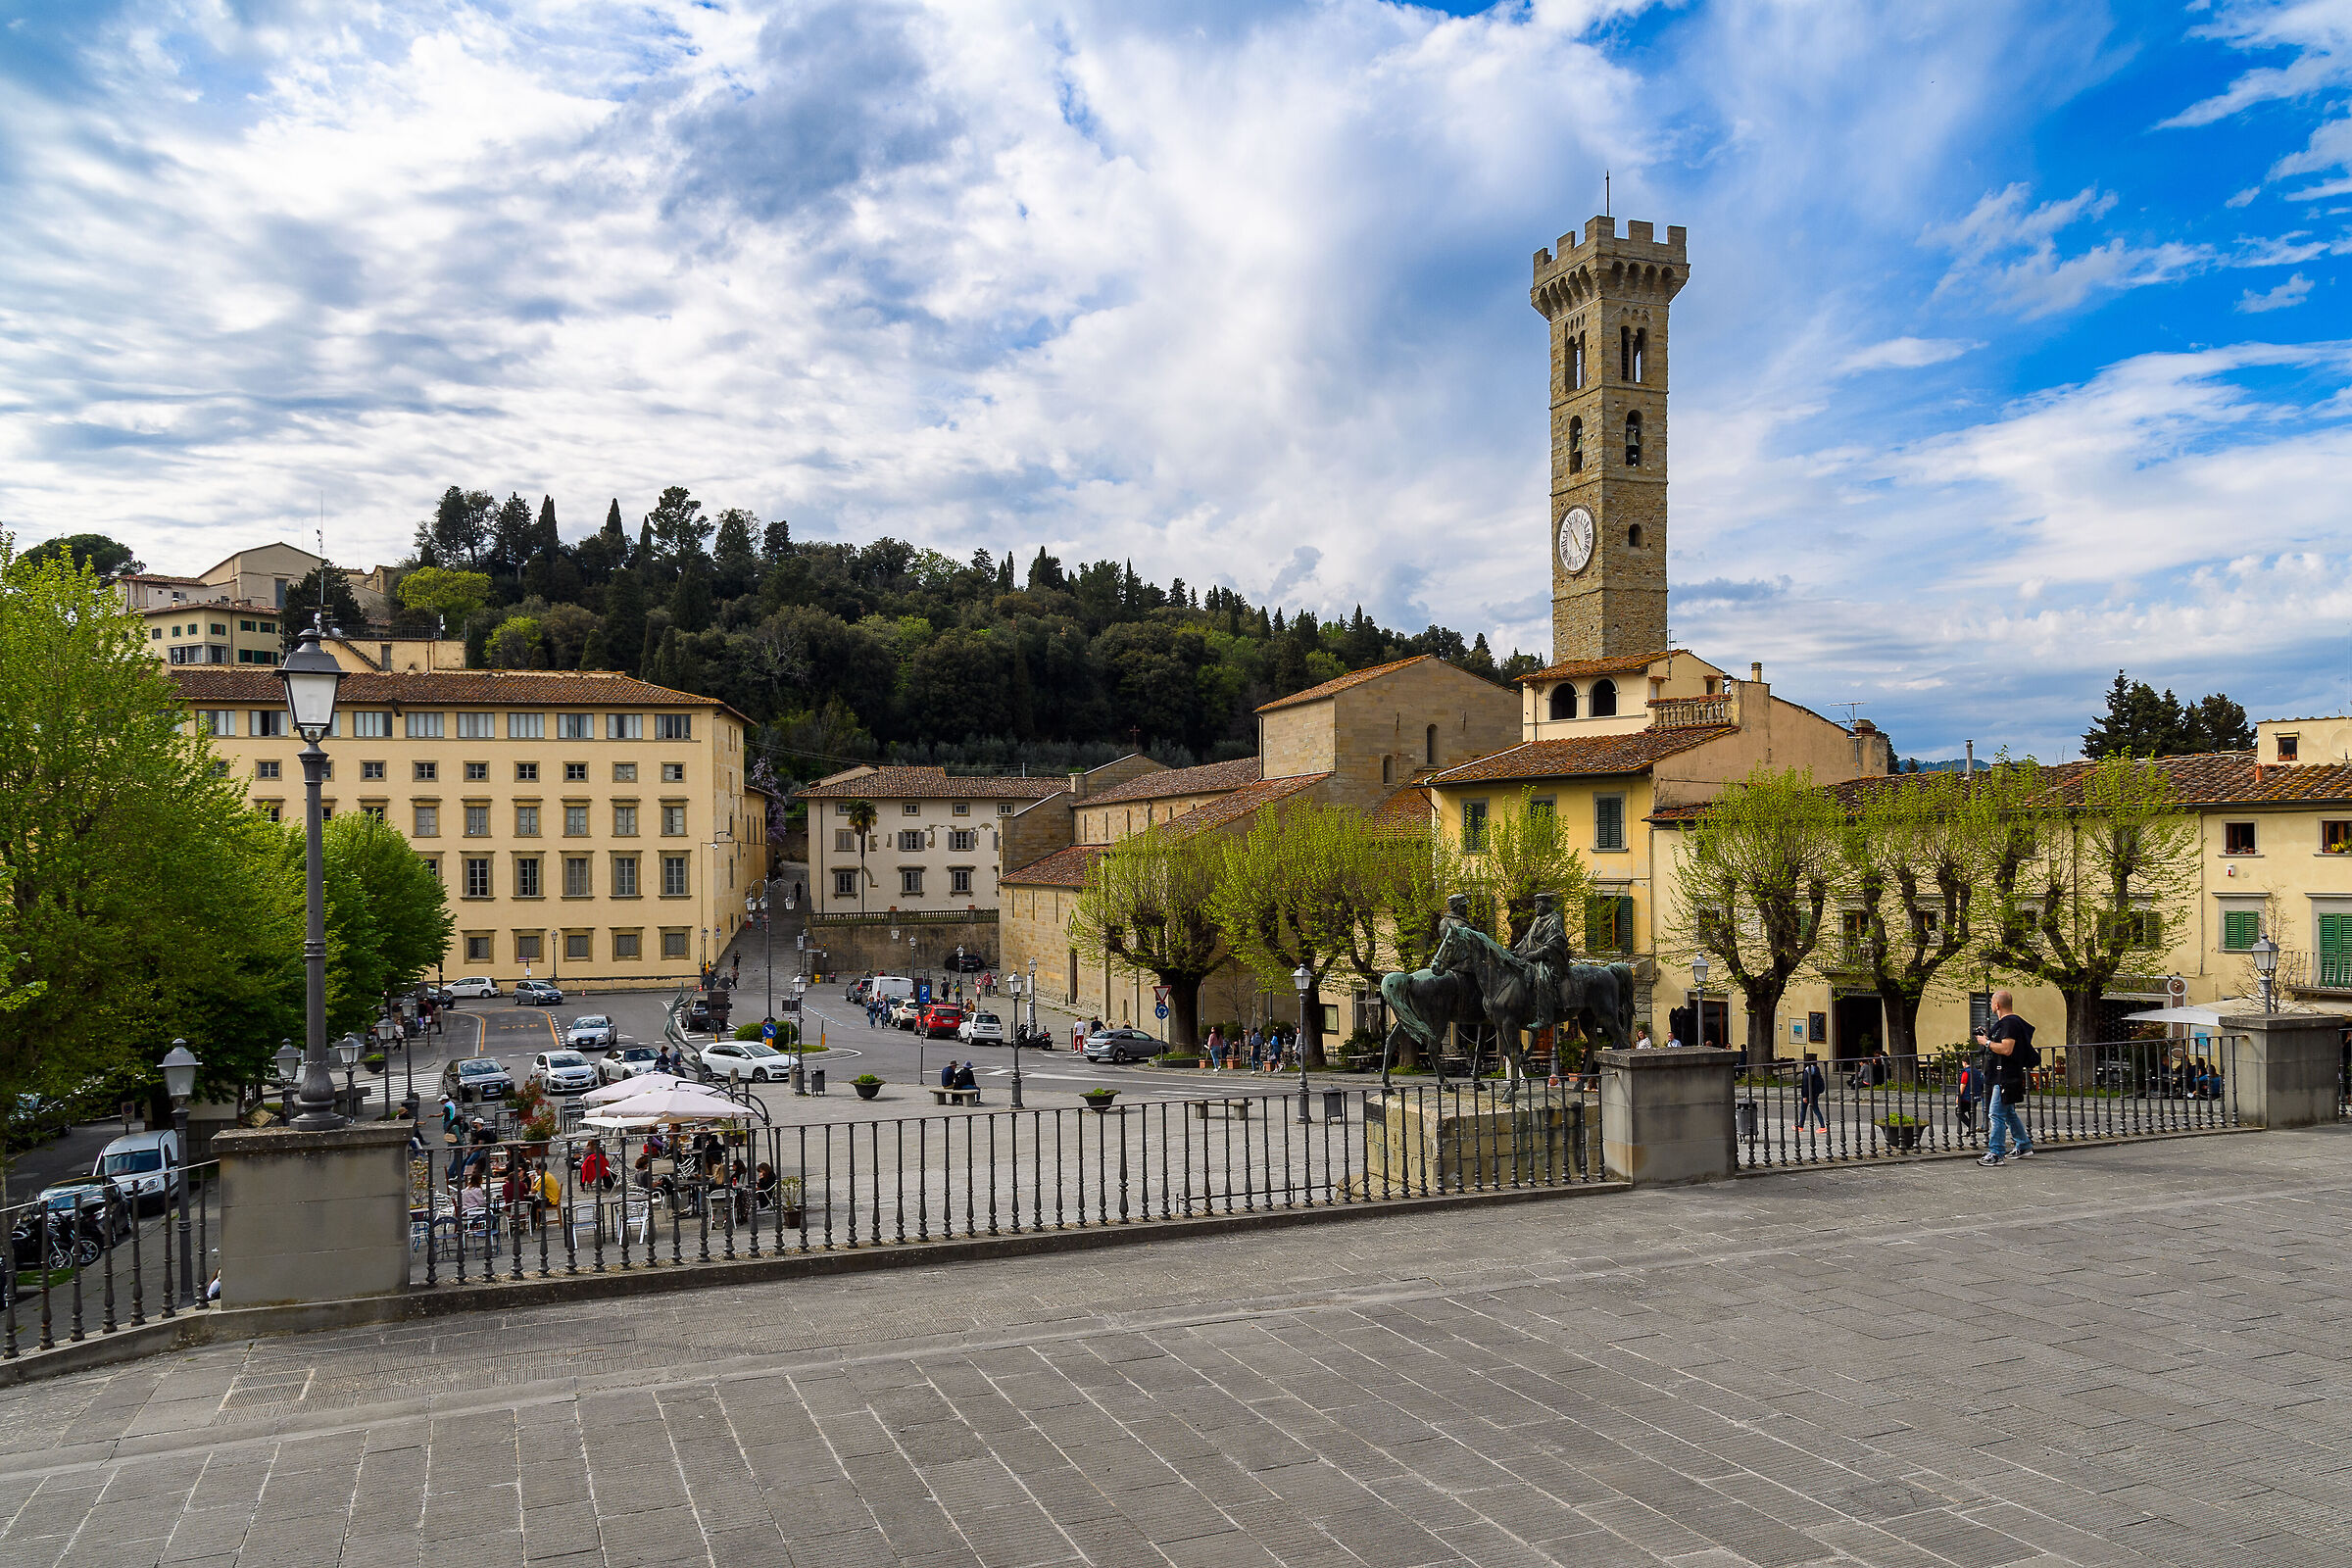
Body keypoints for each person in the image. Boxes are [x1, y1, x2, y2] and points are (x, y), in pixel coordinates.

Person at [1976, 990, 2037, 1166]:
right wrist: (1989, 1036)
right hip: (2005, 1074)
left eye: (1991, 1003)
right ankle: (2024, 1145)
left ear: (1997, 1005)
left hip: (2005, 1075)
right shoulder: (2008, 1024)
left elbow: (2007, 1049)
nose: (1990, 1006)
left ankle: (1996, 1153)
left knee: (1995, 1114)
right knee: (2008, 1113)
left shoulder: (2009, 1024)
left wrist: (1986, 1042)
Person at [1797, 1054, 1829, 1131]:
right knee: (1816, 1109)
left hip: (1807, 1093)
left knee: (1803, 1110)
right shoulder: (1816, 1069)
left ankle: (1800, 1126)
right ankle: (1822, 1126)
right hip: (1815, 1093)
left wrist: (1804, 1096)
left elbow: (1805, 1084)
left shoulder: (1807, 1070)